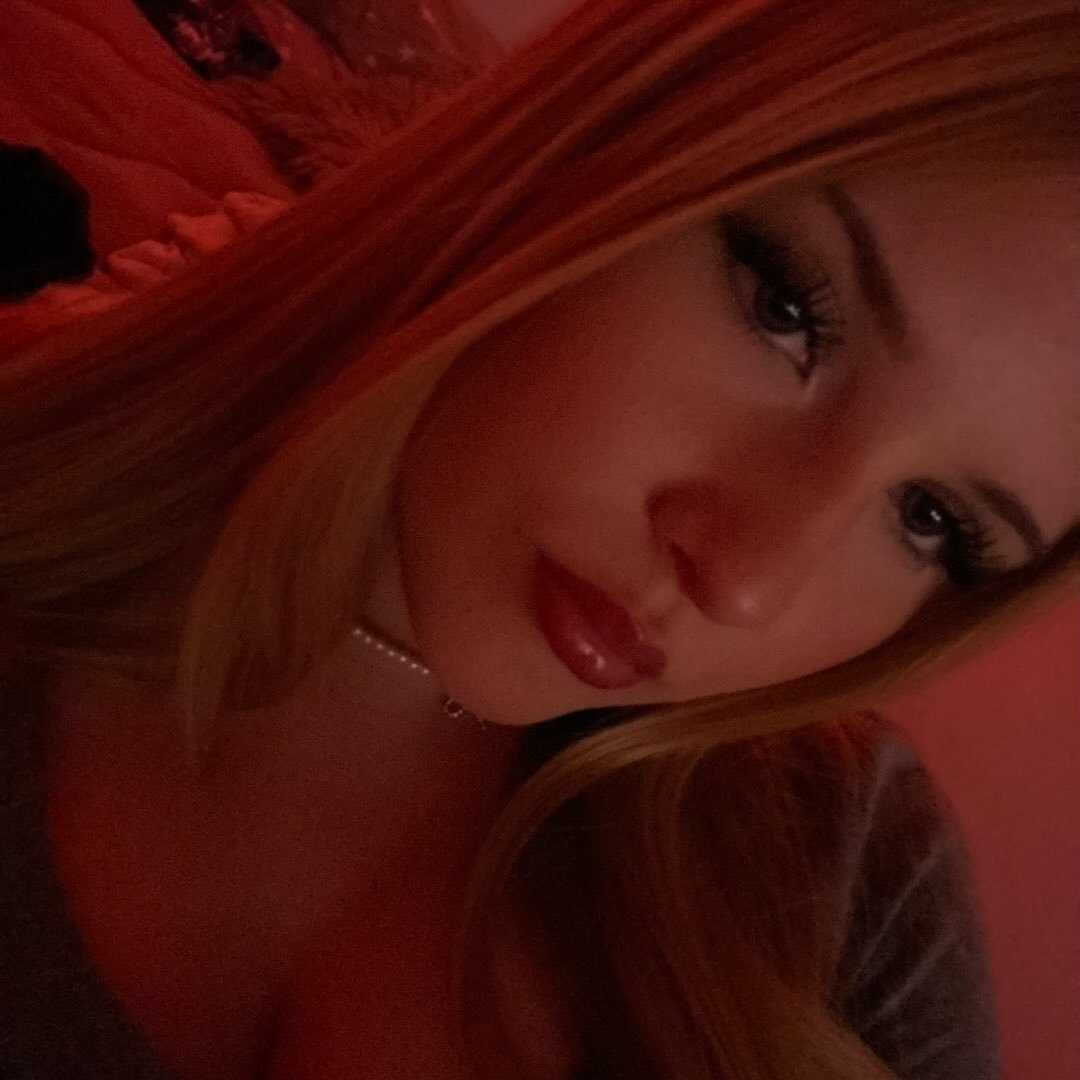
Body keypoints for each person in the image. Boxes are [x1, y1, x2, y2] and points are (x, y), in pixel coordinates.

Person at [0, 0, 1077, 1077]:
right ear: (606, 129)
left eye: (933, 521)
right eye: (787, 307)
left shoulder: (854, 889)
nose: (747, 583)